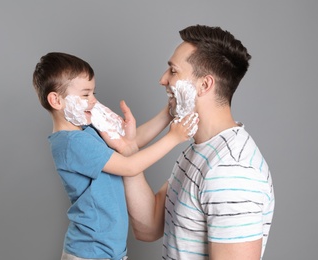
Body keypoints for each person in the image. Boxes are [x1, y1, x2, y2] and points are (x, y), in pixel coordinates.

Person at [104, 25, 275, 259]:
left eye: (173, 71)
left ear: (204, 85)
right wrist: (129, 151)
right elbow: (148, 227)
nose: (162, 79)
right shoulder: (199, 150)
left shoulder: (231, 170)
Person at [32, 52, 198, 260]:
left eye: (93, 93)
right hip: (90, 253)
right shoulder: (72, 143)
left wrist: (168, 112)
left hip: (106, 251)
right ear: (56, 100)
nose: (93, 101)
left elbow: (131, 144)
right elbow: (129, 167)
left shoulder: (86, 131)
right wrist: (173, 138)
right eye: (85, 95)